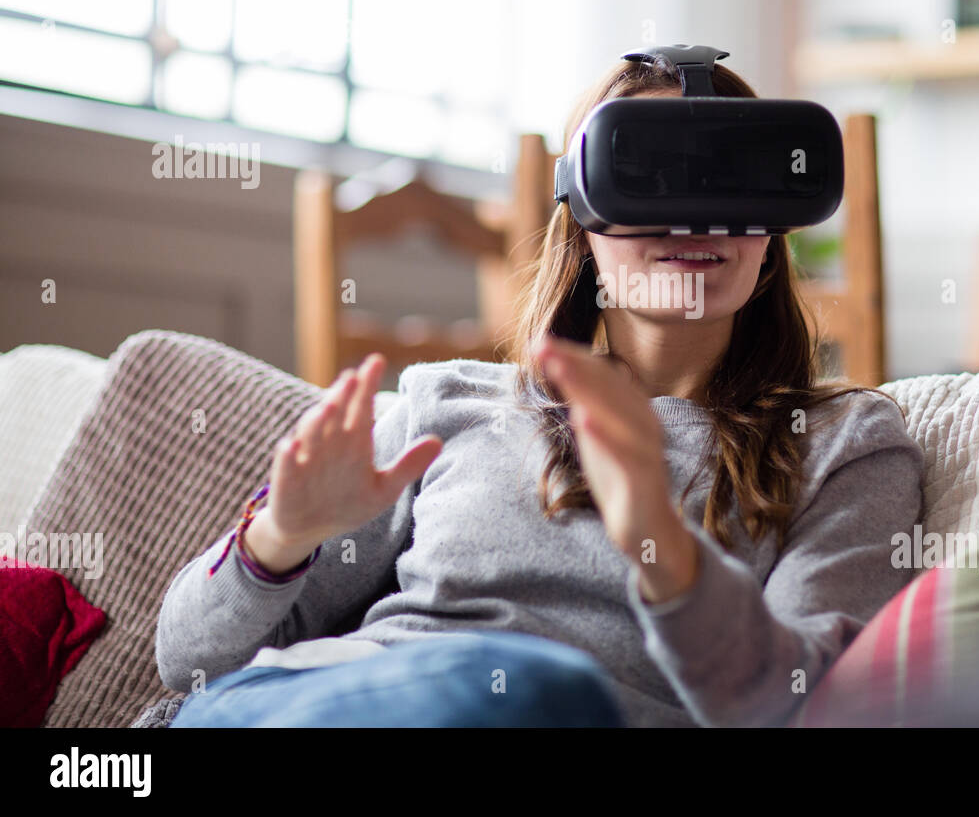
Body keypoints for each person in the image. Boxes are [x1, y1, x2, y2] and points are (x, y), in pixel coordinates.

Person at [157, 52, 924, 728]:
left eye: (732, 177)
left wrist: (661, 542)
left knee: (545, 694)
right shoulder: (450, 404)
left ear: (773, 233)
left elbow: (803, 703)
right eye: (651, 176)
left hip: (554, 713)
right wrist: (274, 542)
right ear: (584, 221)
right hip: (315, 701)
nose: (698, 217)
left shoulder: (845, 446)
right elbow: (188, 665)